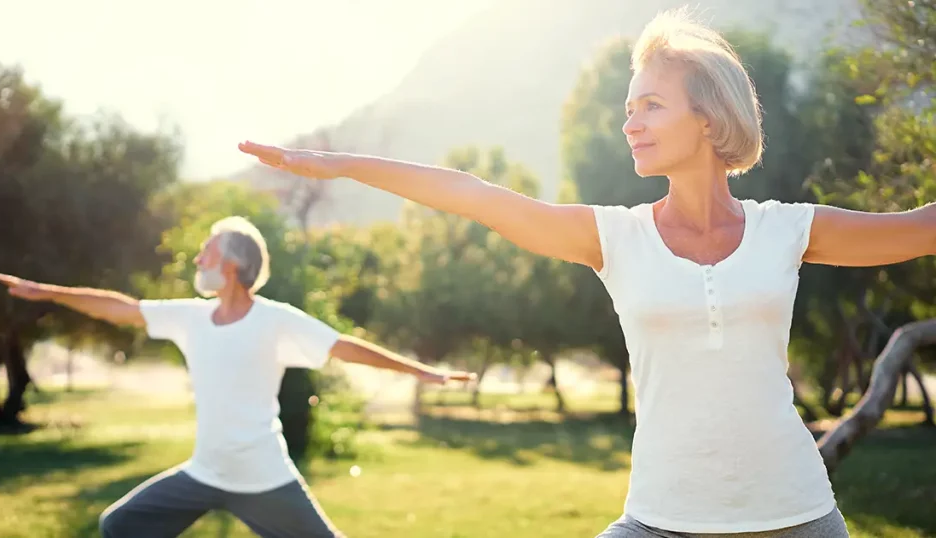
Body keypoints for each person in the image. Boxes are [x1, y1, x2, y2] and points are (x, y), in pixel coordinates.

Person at [236, 8, 936, 537]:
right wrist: (341, 163)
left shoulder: (788, 230)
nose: (630, 123)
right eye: (627, 109)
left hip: (796, 515)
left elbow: (917, 230)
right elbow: (474, 196)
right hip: (661, 518)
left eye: (651, 105)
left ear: (708, 117)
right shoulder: (614, 238)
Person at [0, 215, 475, 538]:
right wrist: (48, 292)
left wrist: (423, 372)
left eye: (206, 252)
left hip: (265, 478)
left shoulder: (275, 319)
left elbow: (343, 347)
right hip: (203, 473)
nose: (198, 259)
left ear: (231, 266)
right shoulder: (191, 317)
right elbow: (121, 310)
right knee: (119, 527)